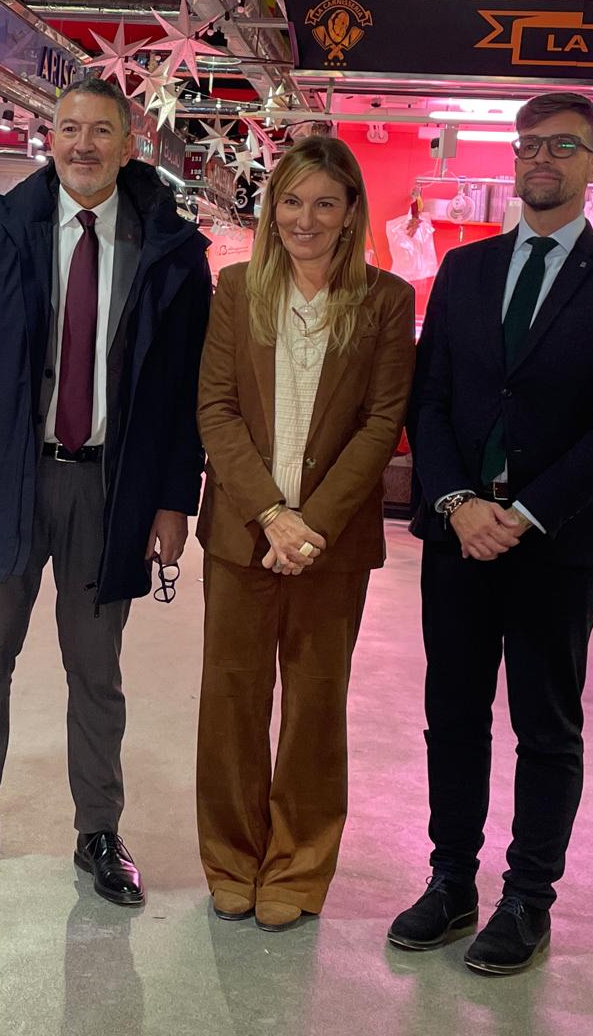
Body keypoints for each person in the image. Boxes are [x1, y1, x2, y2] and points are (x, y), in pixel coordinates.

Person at [0, 74, 212, 906]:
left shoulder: (170, 252)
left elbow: (185, 389)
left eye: (100, 130)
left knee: (96, 667)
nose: (83, 144)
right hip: (7, 478)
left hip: (111, 487)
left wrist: (172, 498)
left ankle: (99, 831)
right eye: (69, 128)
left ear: (129, 143)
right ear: (49, 138)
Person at [390, 92, 593, 974]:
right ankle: (451, 882)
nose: (539, 159)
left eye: (561, 146)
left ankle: (527, 897)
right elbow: (427, 403)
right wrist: (456, 503)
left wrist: (525, 512)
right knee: (453, 716)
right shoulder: (467, 271)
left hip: (558, 543)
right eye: (527, 145)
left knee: (546, 727)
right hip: (458, 536)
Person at [194, 136, 415, 931]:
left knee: (316, 707)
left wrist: (311, 525)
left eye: (326, 202)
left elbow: (383, 423)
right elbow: (215, 409)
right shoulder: (234, 290)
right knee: (231, 704)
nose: (306, 219)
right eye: (291, 201)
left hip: (332, 544)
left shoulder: (386, 301)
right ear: (271, 209)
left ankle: (298, 868)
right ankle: (231, 858)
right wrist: (270, 515)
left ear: (352, 211)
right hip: (241, 532)